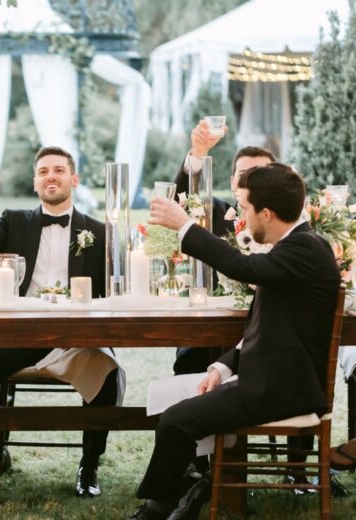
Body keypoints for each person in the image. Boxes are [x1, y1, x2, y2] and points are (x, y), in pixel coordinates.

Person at [131, 163, 340, 520]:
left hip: (279, 389)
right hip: (270, 378)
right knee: (175, 412)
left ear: (267, 213)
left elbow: (239, 267)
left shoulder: (304, 250)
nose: (242, 217)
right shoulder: (298, 247)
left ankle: (157, 510)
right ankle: (191, 490)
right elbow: (268, 328)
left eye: (245, 208)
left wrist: (184, 225)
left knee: (175, 422)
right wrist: (222, 365)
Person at [0, 146, 123, 497]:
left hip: (78, 336)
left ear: (74, 179)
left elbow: (113, 290)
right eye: (44, 171)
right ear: (35, 182)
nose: (51, 176)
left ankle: (89, 465)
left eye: (59, 170)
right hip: (22, 334)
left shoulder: (98, 231)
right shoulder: (15, 221)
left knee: (107, 376)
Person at [170, 119, 276, 375]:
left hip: (269, 335)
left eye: (260, 175)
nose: (251, 183)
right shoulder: (213, 213)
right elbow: (178, 203)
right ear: (231, 183)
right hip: (208, 336)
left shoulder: (285, 227)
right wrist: (198, 154)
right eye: (243, 176)